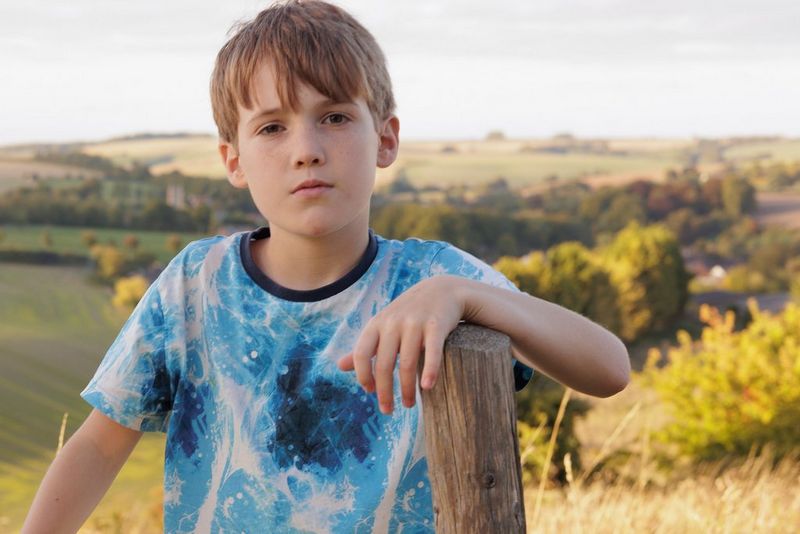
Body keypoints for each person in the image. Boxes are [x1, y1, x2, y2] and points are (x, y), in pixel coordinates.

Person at [22, 1, 630, 532]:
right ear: (234, 160)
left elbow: (608, 369)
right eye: (272, 128)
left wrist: (463, 296)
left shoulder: (431, 279)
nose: (306, 149)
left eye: (335, 117)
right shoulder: (195, 284)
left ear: (385, 139)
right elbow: (101, 447)